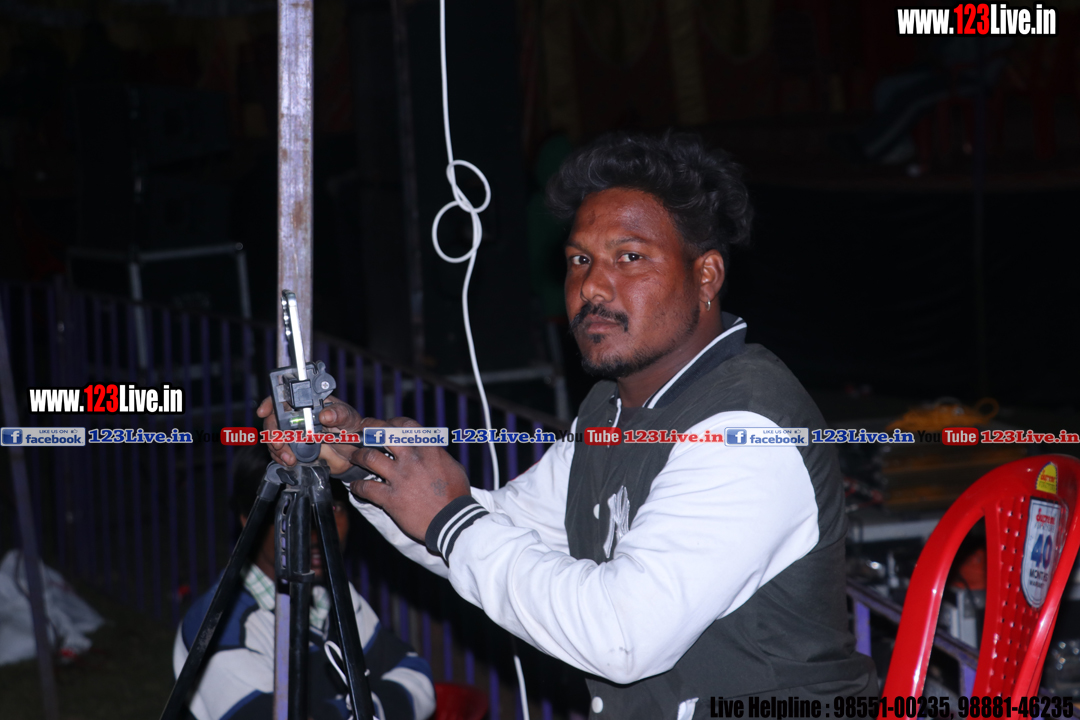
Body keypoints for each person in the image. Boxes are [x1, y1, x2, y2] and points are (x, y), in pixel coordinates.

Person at [260, 132, 877, 718]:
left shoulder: (746, 430)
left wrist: (449, 518)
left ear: (706, 276)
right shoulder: (610, 409)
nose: (593, 286)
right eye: (580, 259)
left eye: (630, 257)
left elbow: (621, 635)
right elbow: (501, 530)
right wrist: (361, 461)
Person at [172, 444, 435, 720]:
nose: (316, 528)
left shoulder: (331, 597)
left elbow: (417, 676)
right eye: (291, 510)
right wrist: (364, 709)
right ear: (250, 519)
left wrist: (356, 713)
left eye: (331, 507)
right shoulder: (217, 626)